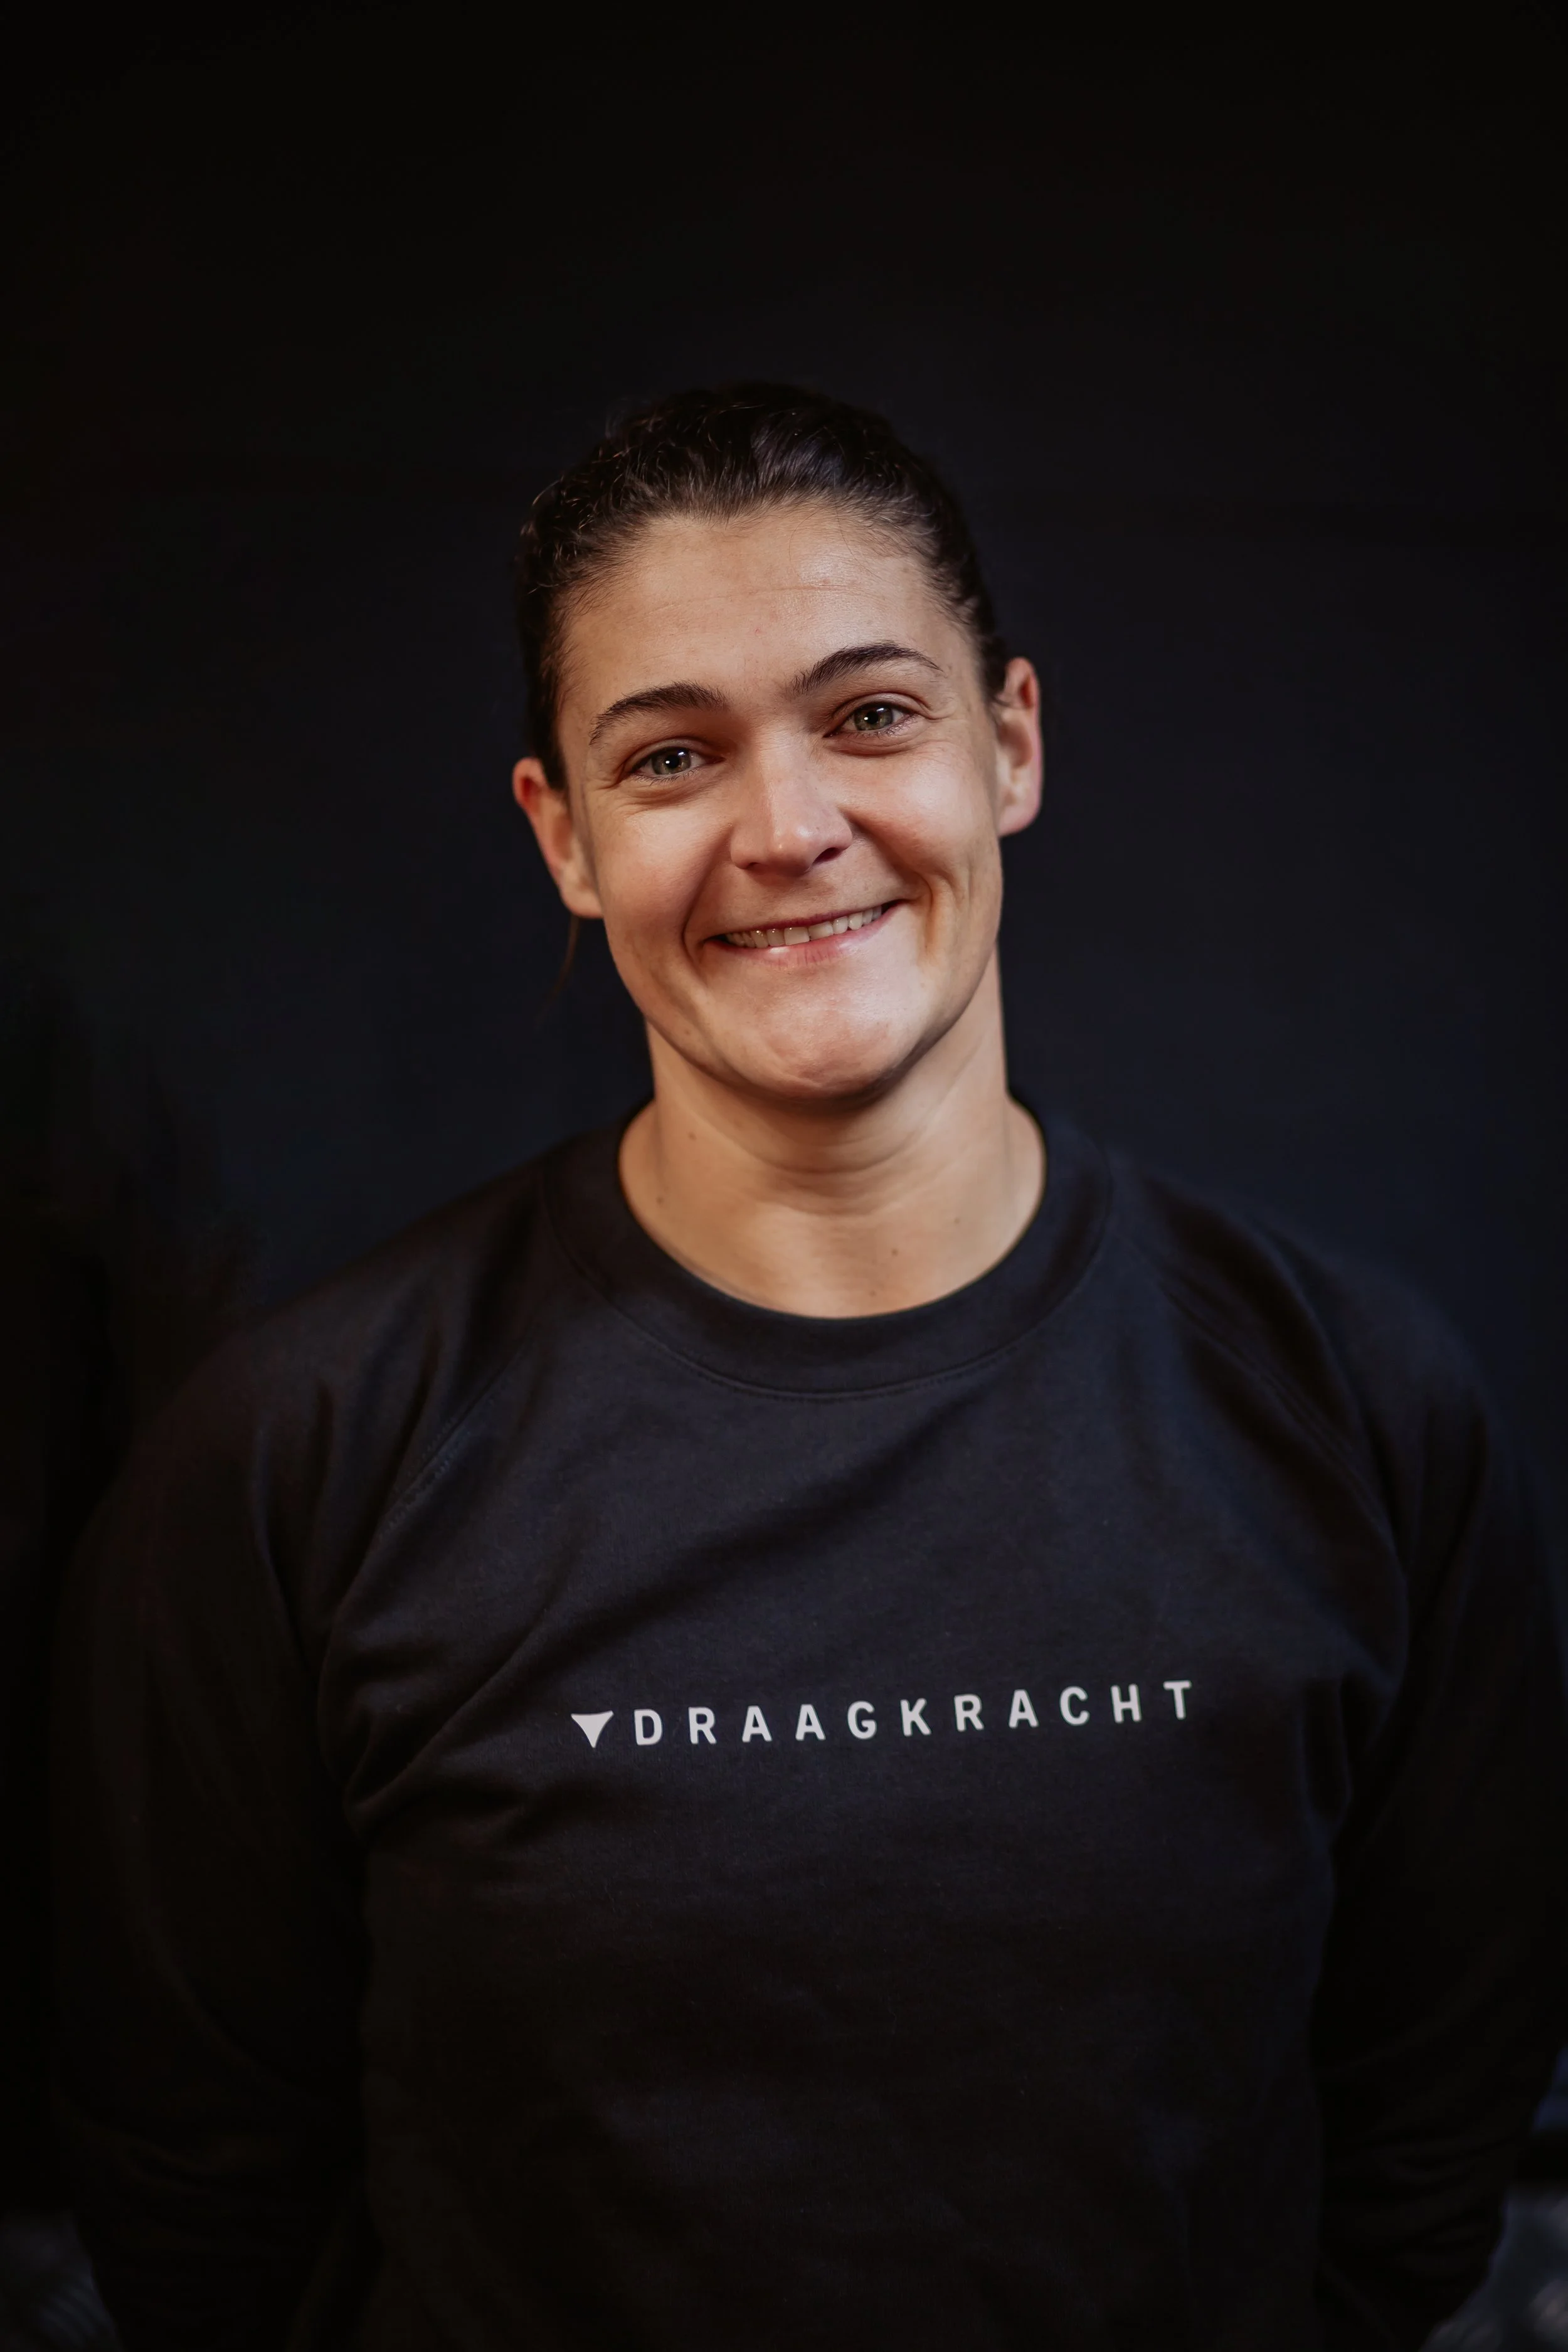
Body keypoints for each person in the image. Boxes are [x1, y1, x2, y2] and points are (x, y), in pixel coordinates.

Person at [51, 384, 1568, 2351]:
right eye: (670, 754)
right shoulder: (295, 1460)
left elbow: (1423, 2120)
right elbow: (199, 2196)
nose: (787, 828)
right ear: (565, 836)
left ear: (1006, 741)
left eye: (869, 714)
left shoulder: (1356, 1404)